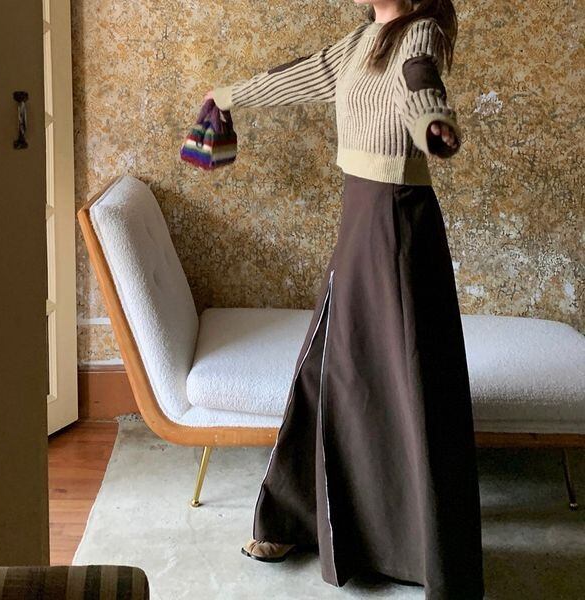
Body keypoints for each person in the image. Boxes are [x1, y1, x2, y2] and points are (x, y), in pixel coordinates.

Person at [207, 1, 484, 598]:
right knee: (326, 367)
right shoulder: (359, 41)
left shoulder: (419, 32)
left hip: (396, 222)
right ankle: (296, 519)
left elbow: (419, 80)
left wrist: (433, 122)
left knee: (398, 380)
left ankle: (413, 549)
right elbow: (299, 75)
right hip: (360, 215)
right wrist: (228, 95)